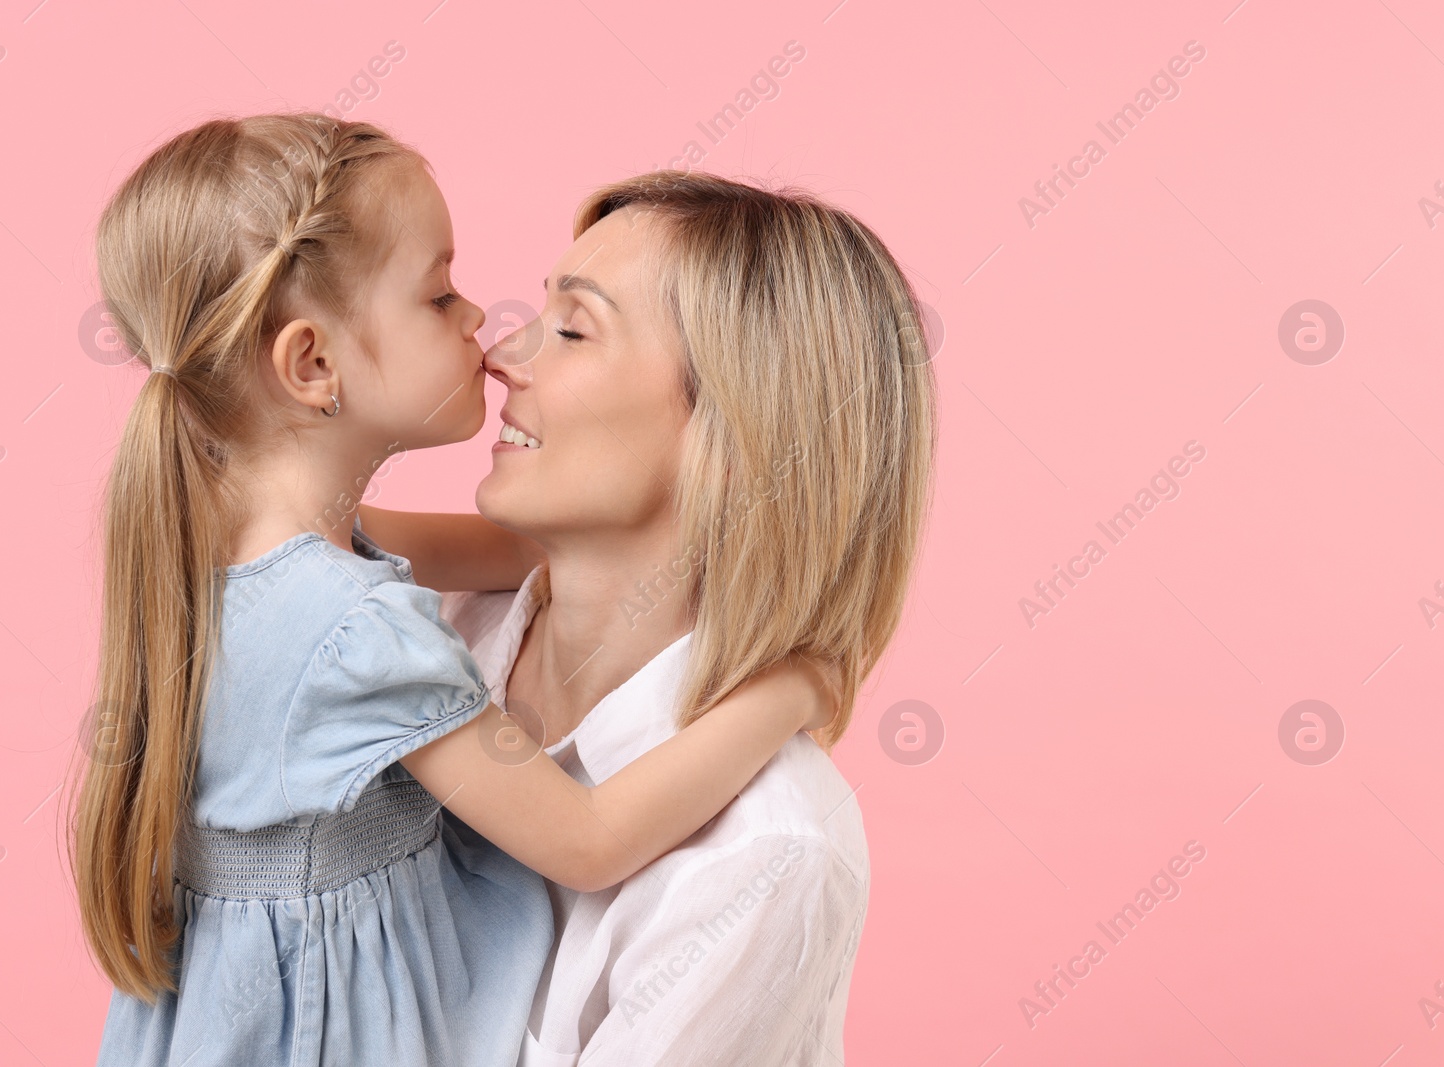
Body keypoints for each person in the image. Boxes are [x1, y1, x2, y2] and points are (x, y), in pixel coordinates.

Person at [70, 114, 834, 1067]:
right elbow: (590, 843)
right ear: (312, 365)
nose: (487, 328)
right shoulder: (358, 631)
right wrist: (795, 685)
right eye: (439, 296)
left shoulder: (227, 549)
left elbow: (514, 553)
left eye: (571, 328)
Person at [361, 170, 937, 1064]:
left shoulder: (763, 858)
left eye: (574, 329)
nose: (503, 353)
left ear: (737, 439)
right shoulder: (414, 627)